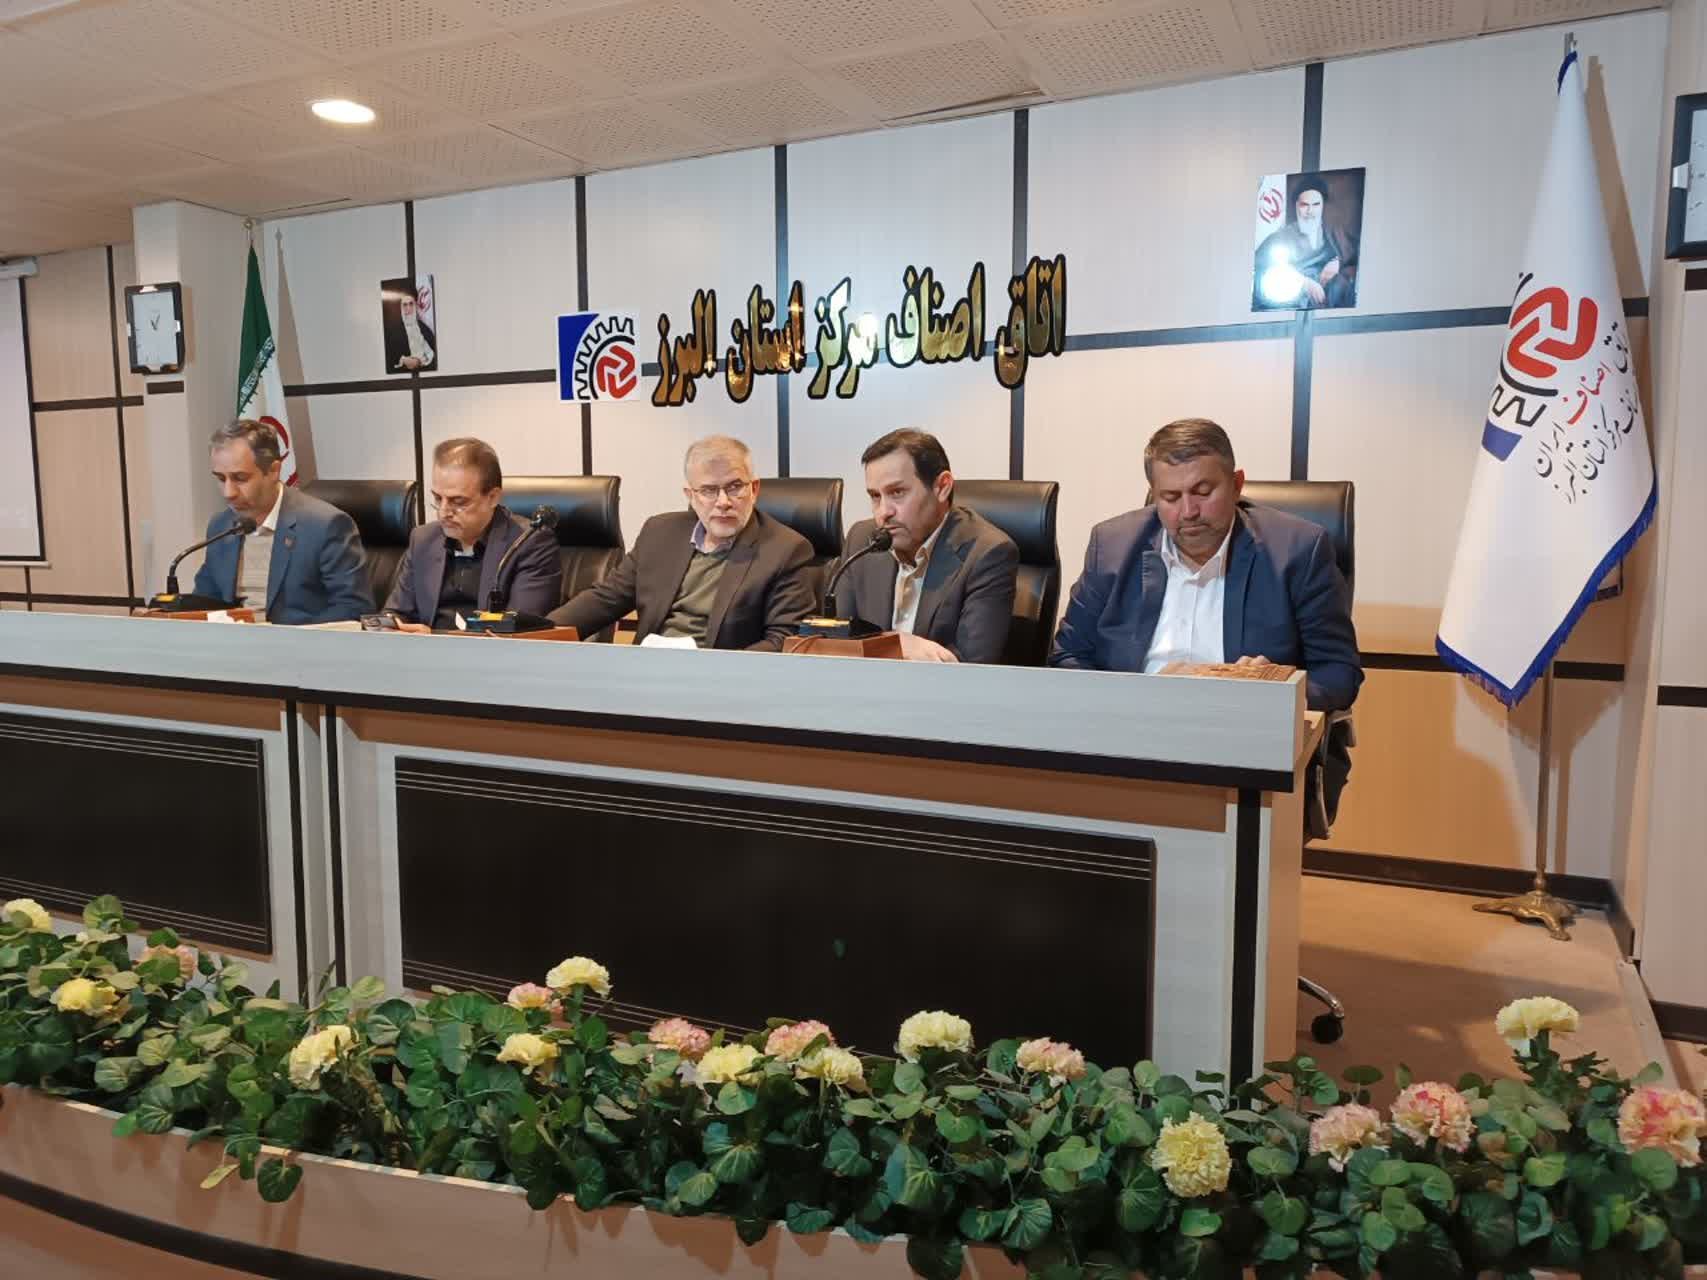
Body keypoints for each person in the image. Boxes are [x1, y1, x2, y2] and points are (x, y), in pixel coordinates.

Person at [1049, 418, 1362, 713]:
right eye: (1171, 497)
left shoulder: (1297, 551)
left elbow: (1338, 672)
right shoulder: (1112, 546)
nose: (1188, 511)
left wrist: (1277, 691)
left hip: (1240, 728)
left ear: (1236, 485)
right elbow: (1068, 654)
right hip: (1131, 724)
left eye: (1203, 492)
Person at [548, 435, 814, 649]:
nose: (723, 502)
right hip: (648, 672)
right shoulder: (659, 533)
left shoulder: (786, 550)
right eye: (709, 490)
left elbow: (783, 640)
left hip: (722, 681)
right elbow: (605, 599)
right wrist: (538, 632)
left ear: (754, 489)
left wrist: (720, 672)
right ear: (690, 495)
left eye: (735, 487)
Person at [833, 428, 1017, 664]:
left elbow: (972, 666)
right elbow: (838, 645)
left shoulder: (988, 553)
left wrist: (883, 646)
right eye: (875, 496)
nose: (883, 512)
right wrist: (896, 644)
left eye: (897, 492)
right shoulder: (861, 540)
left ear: (942, 487)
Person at [193, 419, 372, 624]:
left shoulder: (325, 526)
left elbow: (354, 609)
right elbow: (203, 604)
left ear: (273, 471)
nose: (228, 492)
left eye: (240, 478)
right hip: (232, 641)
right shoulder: (221, 525)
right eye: (220, 478)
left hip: (297, 642)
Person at [384, 438, 560, 631]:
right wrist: (391, 625)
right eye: (438, 498)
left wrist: (434, 637)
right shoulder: (423, 539)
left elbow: (520, 630)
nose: (443, 512)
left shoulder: (528, 543)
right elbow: (397, 612)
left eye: (458, 501)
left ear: (492, 497)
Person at [1253, 179, 1356, 310]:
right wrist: (1302, 282)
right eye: (1304, 205)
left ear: (1322, 206)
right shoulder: (1279, 239)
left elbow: (1356, 259)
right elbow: (1261, 272)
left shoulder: (1334, 234)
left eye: (1316, 205)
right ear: (1297, 206)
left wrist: (1337, 262)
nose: (1310, 211)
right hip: (1292, 303)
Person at [384, 290, 436, 372]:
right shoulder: (393, 330)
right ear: (401, 308)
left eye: (411, 304)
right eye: (405, 305)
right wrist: (403, 359)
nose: (408, 308)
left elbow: (432, 351)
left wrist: (420, 361)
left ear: (415, 306)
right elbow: (390, 355)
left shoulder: (424, 327)